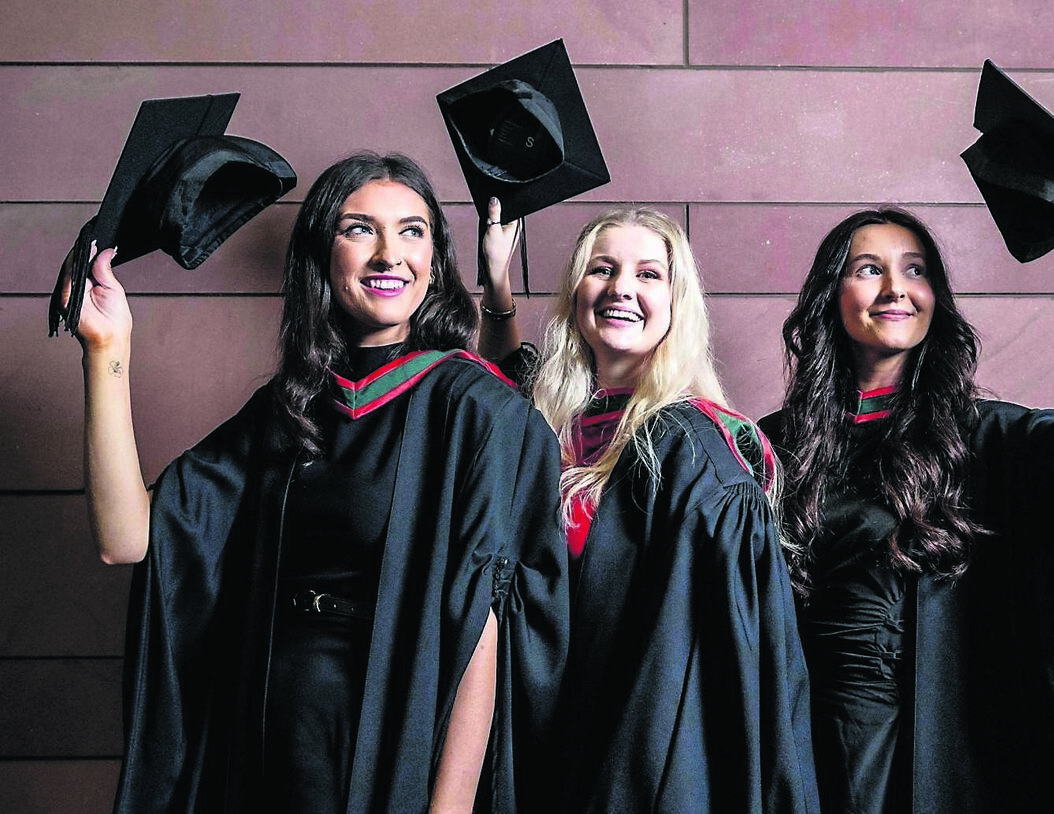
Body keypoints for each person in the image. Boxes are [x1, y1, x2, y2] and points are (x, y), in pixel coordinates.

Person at [62, 152, 567, 813]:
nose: (389, 254)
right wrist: (106, 351)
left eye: (412, 231)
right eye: (360, 229)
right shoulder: (289, 407)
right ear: (322, 255)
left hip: (393, 737)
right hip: (268, 731)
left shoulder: (478, 410)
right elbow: (126, 539)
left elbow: (483, 629)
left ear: (436, 260)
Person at [760, 178, 1054, 813]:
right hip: (799, 753)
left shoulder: (991, 441)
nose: (896, 288)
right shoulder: (766, 448)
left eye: (916, 270)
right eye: (868, 269)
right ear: (831, 294)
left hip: (949, 764)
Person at [479, 200, 819, 812]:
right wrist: (498, 283)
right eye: (601, 269)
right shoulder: (551, 422)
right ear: (576, 291)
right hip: (541, 734)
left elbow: (713, 662)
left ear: (676, 303)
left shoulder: (694, 450)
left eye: (648, 274)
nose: (620, 288)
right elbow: (505, 377)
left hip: (630, 750)